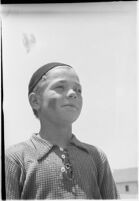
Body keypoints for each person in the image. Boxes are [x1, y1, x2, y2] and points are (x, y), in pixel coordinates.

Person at [5, 62, 119, 199]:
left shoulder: (96, 157)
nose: (73, 94)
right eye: (60, 87)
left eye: (78, 90)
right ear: (35, 101)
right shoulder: (14, 159)